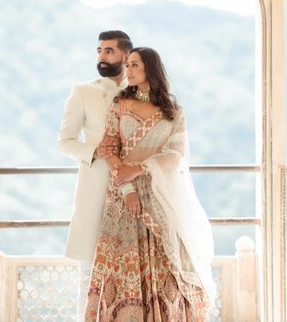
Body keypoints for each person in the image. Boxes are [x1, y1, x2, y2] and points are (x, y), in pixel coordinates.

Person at [85, 47, 215, 321]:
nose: (128, 70)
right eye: (128, 65)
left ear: (150, 70)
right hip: (123, 198)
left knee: (167, 265)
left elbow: (175, 155)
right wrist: (128, 187)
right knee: (124, 271)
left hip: (159, 196)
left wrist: (139, 169)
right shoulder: (119, 105)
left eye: (134, 65)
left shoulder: (172, 111)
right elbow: (109, 148)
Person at [57, 30, 133, 320]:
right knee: (88, 273)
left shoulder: (142, 91)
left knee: (130, 273)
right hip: (94, 190)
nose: (102, 56)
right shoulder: (83, 91)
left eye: (109, 51)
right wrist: (96, 150)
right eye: (99, 50)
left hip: (133, 191)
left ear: (126, 56)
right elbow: (64, 142)